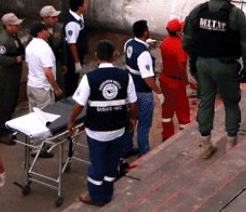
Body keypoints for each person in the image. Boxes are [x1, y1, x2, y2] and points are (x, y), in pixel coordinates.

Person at [183, 0, 246, 158]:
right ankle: (231, 144)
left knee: (206, 101)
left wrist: (194, 62)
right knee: (231, 102)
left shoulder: (198, 11)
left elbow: (187, 41)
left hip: (203, 64)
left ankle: (206, 145)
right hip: (226, 66)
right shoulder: (235, 14)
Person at [69, 40, 139, 207]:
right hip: (118, 129)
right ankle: (108, 193)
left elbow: (79, 105)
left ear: (96, 56)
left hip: (96, 131)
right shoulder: (125, 76)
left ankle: (96, 197)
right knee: (112, 163)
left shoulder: (89, 78)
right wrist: (133, 119)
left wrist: (71, 121)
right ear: (114, 56)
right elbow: (134, 103)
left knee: (97, 165)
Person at [124, 20, 162, 157]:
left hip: (129, 89)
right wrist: (159, 92)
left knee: (129, 119)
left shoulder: (128, 43)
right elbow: (148, 79)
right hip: (142, 93)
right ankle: (143, 151)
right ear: (145, 32)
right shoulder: (144, 54)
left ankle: (126, 148)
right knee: (144, 123)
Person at [158, 18, 192, 140]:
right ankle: (185, 138)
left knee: (167, 112)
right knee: (183, 112)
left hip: (164, 81)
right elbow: (182, 68)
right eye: (181, 30)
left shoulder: (165, 42)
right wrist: (187, 85)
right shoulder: (181, 46)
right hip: (177, 84)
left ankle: (167, 136)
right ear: (177, 32)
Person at [0, 13, 25, 142]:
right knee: (5, 103)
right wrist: (15, 60)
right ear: (8, 26)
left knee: (12, 101)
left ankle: (7, 126)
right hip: (7, 77)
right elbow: (0, 59)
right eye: (15, 25)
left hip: (14, 76)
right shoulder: (4, 40)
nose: (19, 26)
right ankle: (1, 132)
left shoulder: (13, 36)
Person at [24, 22, 62, 110]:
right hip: (43, 88)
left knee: (33, 115)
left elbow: (28, 65)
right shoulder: (45, 49)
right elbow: (48, 72)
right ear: (39, 33)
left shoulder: (29, 46)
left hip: (31, 85)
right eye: (45, 30)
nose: (48, 31)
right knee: (46, 115)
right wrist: (56, 88)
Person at [60, 0, 90, 96]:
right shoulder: (72, 23)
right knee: (71, 81)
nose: (87, 5)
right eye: (85, 3)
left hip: (79, 54)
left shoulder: (79, 16)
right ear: (80, 6)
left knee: (75, 80)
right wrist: (77, 62)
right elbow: (72, 44)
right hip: (71, 58)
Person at [39, 4, 67, 90]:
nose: (56, 20)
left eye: (56, 17)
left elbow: (63, 46)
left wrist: (64, 63)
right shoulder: (37, 30)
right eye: (53, 18)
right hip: (43, 65)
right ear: (45, 18)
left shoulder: (59, 28)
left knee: (60, 86)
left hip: (57, 62)